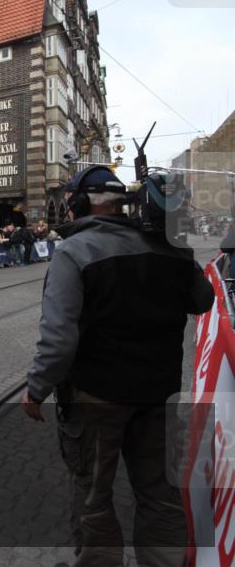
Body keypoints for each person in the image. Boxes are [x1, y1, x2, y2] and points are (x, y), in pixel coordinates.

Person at [22, 165, 215, 566]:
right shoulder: (168, 249)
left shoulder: (73, 252)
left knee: (94, 497)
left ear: (76, 204)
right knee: (159, 494)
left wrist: (36, 388)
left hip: (97, 396)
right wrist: (179, 249)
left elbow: (58, 340)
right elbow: (203, 301)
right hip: (158, 393)